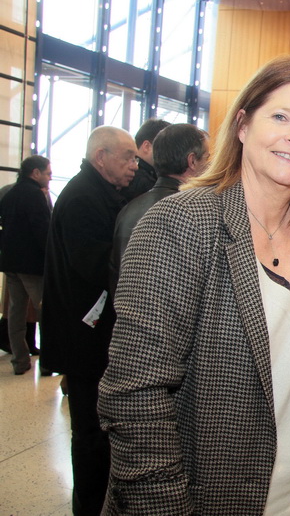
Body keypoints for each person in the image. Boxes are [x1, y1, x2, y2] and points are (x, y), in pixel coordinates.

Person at [97, 56, 290, 516]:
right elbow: (133, 394)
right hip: (200, 499)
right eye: (280, 117)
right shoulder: (180, 224)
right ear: (242, 125)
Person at [40, 126, 138, 515]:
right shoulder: (83, 197)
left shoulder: (100, 191)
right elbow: (94, 265)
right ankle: (88, 505)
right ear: (101, 157)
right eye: (128, 156)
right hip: (81, 333)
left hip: (88, 330)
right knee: (89, 433)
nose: (134, 165)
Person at [109, 123, 210, 294]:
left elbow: (115, 273)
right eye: (207, 158)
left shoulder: (128, 209)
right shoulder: (193, 213)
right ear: (192, 161)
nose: (211, 166)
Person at [0, 155, 52, 374]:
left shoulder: (9, 193)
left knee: (16, 312)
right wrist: (51, 255)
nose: (50, 178)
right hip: (31, 264)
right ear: (36, 173)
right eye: (48, 173)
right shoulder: (35, 195)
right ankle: (48, 362)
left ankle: (20, 361)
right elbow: (42, 230)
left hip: (10, 262)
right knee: (44, 311)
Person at [119, 118, 171, 201]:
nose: (170, 154)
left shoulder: (132, 176)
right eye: (166, 148)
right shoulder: (142, 182)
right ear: (147, 146)